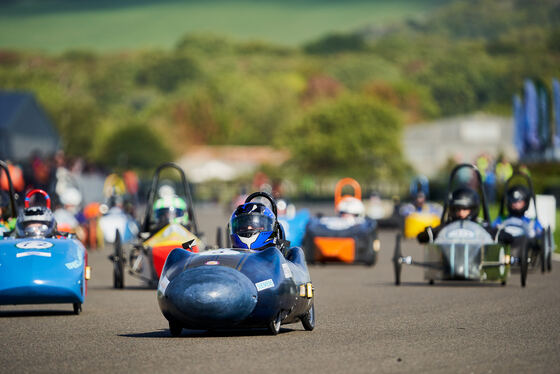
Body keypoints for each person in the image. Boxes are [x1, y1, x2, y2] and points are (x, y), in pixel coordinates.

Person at [417, 187, 512, 244]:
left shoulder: (481, 225)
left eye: (465, 209)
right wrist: (427, 233)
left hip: (476, 262)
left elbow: (507, 237)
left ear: (473, 209)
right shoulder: (447, 225)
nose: (461, 213)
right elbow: (423, 237)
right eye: (458, 209)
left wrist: (502, 235)